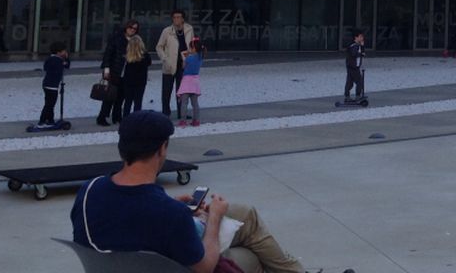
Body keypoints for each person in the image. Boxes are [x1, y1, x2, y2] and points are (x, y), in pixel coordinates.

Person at [71, 110, 316, 273]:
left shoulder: (88, 191)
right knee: (249, 257)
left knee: (246, 214)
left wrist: (172, 205)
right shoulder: (170, 213)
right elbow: (205, 266)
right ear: (162, 149)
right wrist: (215, 218)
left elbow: (130, 216)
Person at [98, 20, 139, 126]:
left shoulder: (135, 41)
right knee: (109, 96)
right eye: (131, 27)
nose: (132, 30)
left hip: (127, 72)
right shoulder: (116, 39)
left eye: (134, 28)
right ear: (126, 27)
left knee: (121, 97)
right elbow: (108, 55)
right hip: (115, 71)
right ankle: (103, 116)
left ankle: (117, 116)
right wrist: (106, 69)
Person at [157, 9, 195, 119]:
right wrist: (164, 58)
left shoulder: (189, 29)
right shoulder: (167, 31)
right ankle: (165, 112)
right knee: (166, 90)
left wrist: (191, 58)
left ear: (183, 19)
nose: (176, 19)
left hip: (184, 64)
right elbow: (159, 46)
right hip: (169, 64)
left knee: (182, 91)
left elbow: (192, 45)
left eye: (179, 17)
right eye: (174, 17)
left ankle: (181, 112)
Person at [38, 41, 70, 127]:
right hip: (51, 86)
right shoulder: (56, 60)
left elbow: (65, 66)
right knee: (49, 105)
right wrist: (65, 59)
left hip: (48, 85)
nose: (65, 52)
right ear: (58, 52)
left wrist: (65, 59)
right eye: (63, 51)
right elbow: (65, 66)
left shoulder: (51, 59)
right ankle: (42, 121)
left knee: (50, 104)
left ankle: (50, 120)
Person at [120, 34, 152, 116]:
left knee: (127, 102)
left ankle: (126, 119)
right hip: (140, 82)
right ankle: (136, 119)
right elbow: (149, 63)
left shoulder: (128, 57)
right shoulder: (145, 56)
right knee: (138, 102)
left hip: (128, 82)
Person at [176, 38, 203, 128]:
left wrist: (184, 58)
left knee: (184, 102)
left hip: (186, 81)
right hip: (195, 81)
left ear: (193, 48)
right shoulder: (200, 58)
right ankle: (196, 120)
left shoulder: (189, 58)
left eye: (190, 48)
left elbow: (184, 66)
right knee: (195, 103)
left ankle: (183, 121)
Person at [344, 29, 366, 99]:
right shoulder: (354, 45)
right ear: (356, 37)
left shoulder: (358, 45)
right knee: (359, 82)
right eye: (360, 36)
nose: (362, 38)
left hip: (354, 66)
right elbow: (354, 54)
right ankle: (357, 95)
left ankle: (347, 95)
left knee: (350, 82)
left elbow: (362, 53)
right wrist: (361, 53)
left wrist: (362, 47)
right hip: (353, 67)